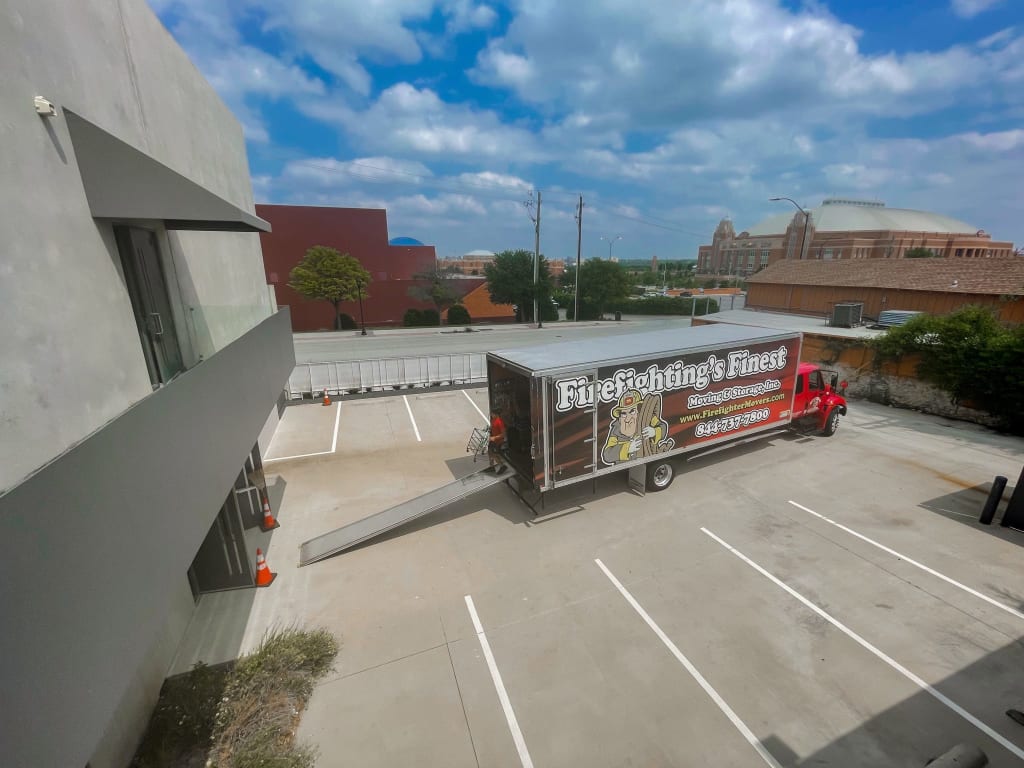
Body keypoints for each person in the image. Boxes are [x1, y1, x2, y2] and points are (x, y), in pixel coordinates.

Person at [485, 408, 507, 474]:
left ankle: (502, 466)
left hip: (498, 441)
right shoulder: (493, 420)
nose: (491, 415)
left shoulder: (500, 422)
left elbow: (503, 434)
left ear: (496, 414)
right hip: (493, 439)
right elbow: (493, 428)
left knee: (492, 453)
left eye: (492, 414)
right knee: (489, 452)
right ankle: (491, 467)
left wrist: (495, 437)